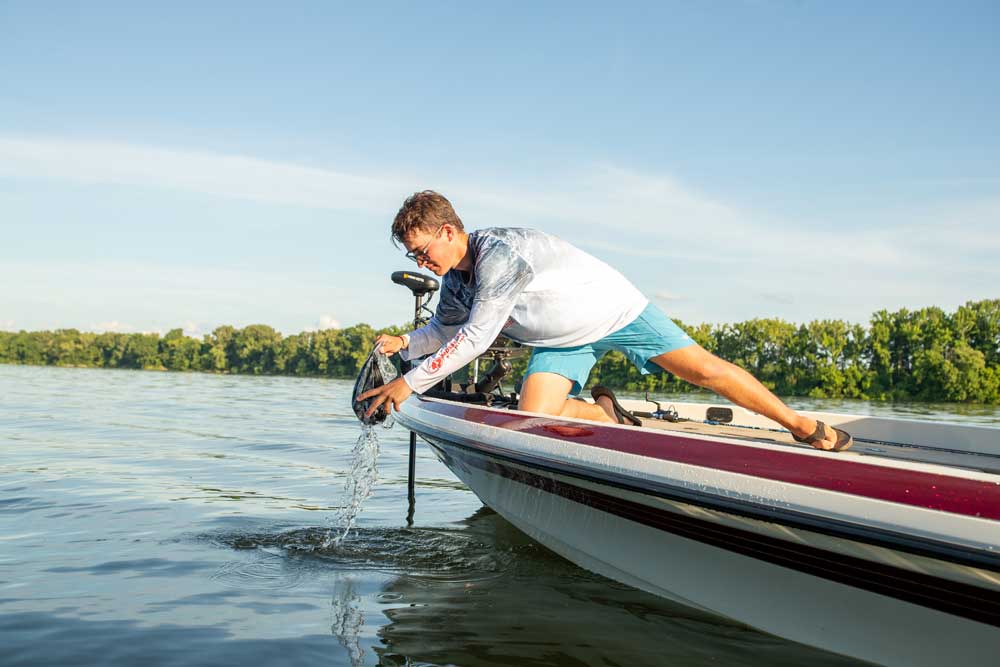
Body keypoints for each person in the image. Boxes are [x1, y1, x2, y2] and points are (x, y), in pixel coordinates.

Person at [358, 191, 852, 451]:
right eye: (414, 257)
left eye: (423, 252)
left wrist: (408, 385)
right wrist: (405, 343)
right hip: (559, 339)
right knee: (534, 416)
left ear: (448, 231)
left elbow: (477, 337)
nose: (422, 263)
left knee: (703, 370)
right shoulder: (454, 281)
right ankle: (606, 413)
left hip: (615, 311)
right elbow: (444, 332)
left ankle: (802, 424)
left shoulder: (500, 255)